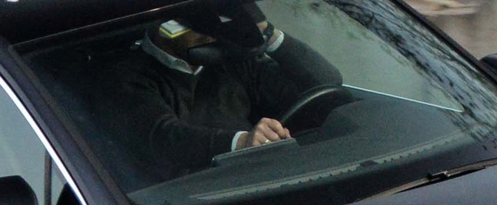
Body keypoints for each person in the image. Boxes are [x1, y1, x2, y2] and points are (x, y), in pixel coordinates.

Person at [113, 4, 342, 178]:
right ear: (168, 26)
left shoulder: (232, 61)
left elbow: (326, 84)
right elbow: (165, 139)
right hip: (190, 202)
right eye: (201, 25)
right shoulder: (127, 76)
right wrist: (243, 144)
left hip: (261, 180)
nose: (212, 33)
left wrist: (263, 29)